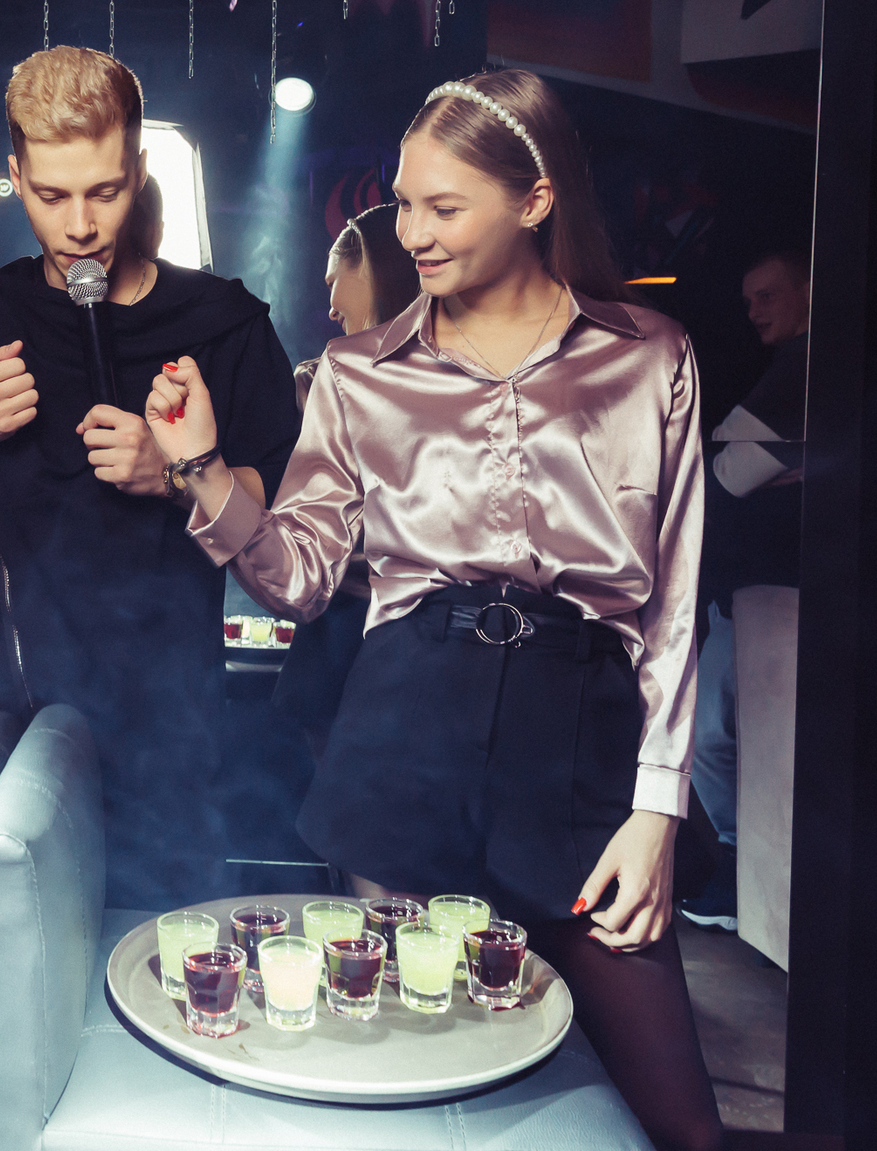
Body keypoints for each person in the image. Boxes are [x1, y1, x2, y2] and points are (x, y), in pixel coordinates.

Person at [145, 71, 723, 1151]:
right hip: (404, 739)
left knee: (680, 1121)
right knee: (419, 1090)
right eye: (403, 202)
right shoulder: (358, 373)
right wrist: (202, 470)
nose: (410, 232)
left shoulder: (651, 356)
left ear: (535, 199)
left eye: (442, 206)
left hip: (581, 750)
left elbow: (674, 606)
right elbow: (301, 577)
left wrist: (658, 810)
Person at [0, 46, 302, 909]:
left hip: (165, 720)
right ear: (15, 177)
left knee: (166, 946)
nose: (78, 226)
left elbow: (276, 514)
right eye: (50, 195)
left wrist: (175, 473)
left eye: (103, 192)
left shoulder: (222, 322)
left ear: (137, 169)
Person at [680, 248, 809, 932]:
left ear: (810, 289)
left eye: (768, 295)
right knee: (720, 737)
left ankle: (746, 884)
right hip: (752, 592)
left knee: (727, 739)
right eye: (748, 299)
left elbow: (725, 475)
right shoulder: (792, 364)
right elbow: (724, 463)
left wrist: (728, 450)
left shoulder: (809, 363)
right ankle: (742, 880)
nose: (755, 311)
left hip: (776, 595)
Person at [270, 203, 422, 763]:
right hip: (346, 620)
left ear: (377, 267)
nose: (331, 306)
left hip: (433, 634)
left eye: (336, 280)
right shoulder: (319, 382)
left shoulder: (465, 381)